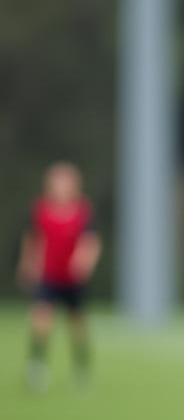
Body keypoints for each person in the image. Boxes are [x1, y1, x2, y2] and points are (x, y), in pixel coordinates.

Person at [18, 162, 102, 391]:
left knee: (77, 325)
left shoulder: (82, 211)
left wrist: (84, 261)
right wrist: (27, 264)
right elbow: (33, 239)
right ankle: (37, 366)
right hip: (49, 276)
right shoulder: (41, 210)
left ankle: (81, 369)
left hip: (73, 280)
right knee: (41, 320)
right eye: (58, 181)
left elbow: (91, 241)